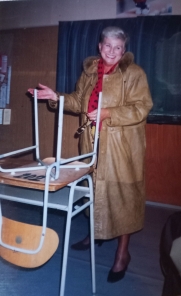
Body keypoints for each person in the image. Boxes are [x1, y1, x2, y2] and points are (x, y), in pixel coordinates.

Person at [28, 26, 153, 283]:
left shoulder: (134, 73)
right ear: (100, 46)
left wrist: (110, 113)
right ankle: (97, 233)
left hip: (121, 146)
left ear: (124, 49)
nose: (112, 51)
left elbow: (142, 107)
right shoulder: (89, 73)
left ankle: (122, 252)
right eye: (108, 45)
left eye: (118, 47)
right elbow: (77, 101)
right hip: (91, 142)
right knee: (93, 190)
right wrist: (57, 97)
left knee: (123, 195)